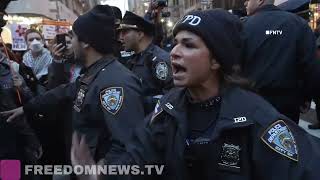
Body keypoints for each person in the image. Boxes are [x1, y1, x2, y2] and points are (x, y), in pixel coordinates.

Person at [71, 9, 320, 180]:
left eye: (188, 45)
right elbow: (138, 158)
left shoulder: (256, 118)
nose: (175, 52)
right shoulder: (168, 108)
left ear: (216, 60)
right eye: (176, 42)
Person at [1, 4, 145, 165]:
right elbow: (63, 91)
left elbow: (128, 147)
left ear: (85, 42)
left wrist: (98, 174)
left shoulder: (116, 83)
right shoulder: (94, 73)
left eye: (74, 37)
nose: (72, 43)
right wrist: (27, 108)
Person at [242, 0, 320, 123]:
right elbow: (311, 68)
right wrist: (307, 97)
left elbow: (232, 66)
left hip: (252, 102)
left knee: (253, 139)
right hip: (288, 105)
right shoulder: (299, 24)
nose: (245, 3)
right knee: (286, 139)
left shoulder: (243, 26)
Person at [118, 11, 173, 114]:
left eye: (125, 32)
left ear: (139, 34)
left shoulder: (158, 60)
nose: (120, 37)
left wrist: (140, 101)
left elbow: (173, 96)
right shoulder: (133, 60)